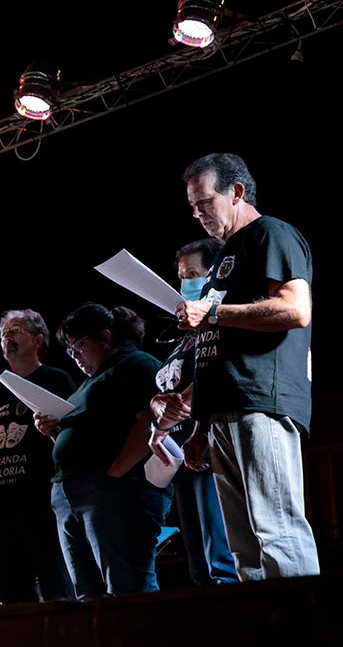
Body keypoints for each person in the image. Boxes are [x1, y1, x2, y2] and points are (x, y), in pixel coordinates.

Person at [168, 152, 320, 580]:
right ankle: (264, 641)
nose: (198, 214)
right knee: (244, 551)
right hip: (221, 415)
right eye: (192, 207)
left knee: (277, 532)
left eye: (204, 202)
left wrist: (212, 314)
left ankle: (307, 634)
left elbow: (295, 309)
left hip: (260, 403)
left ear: (236, 192)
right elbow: (219, 349)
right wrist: (199, 427)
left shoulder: (271, 234)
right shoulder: (223, 258)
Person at [33, 303, 172, 600]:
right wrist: (54, 431)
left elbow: (149, 423)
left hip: (112, 490)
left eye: (79, 345)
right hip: (72, 494)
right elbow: (80, 441)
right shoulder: (87, 383)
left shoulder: (136, 364)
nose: (75, 356)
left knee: (127, 587)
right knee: (87, 593)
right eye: (69, 350)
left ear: (105, 335)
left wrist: (112, 477)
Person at [149, 238, 238, 586]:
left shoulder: (220, 323)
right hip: (179, 456)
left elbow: (217, 370)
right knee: (196, 560)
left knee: (221, 556)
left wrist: (183, 402)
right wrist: (157, 408)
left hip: (210, 446)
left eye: (193, 274)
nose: (185, 282)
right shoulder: (183, 336)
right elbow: (161, 392)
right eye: (181, 276)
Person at [0, 309, 76, 603]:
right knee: (13, 587)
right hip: (5, 502)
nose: (7, 338)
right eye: (4, 334)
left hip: (43, 498)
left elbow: (75, 434)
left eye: (15, 331)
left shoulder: (56, 379)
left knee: (54, 579)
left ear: (38, 340)